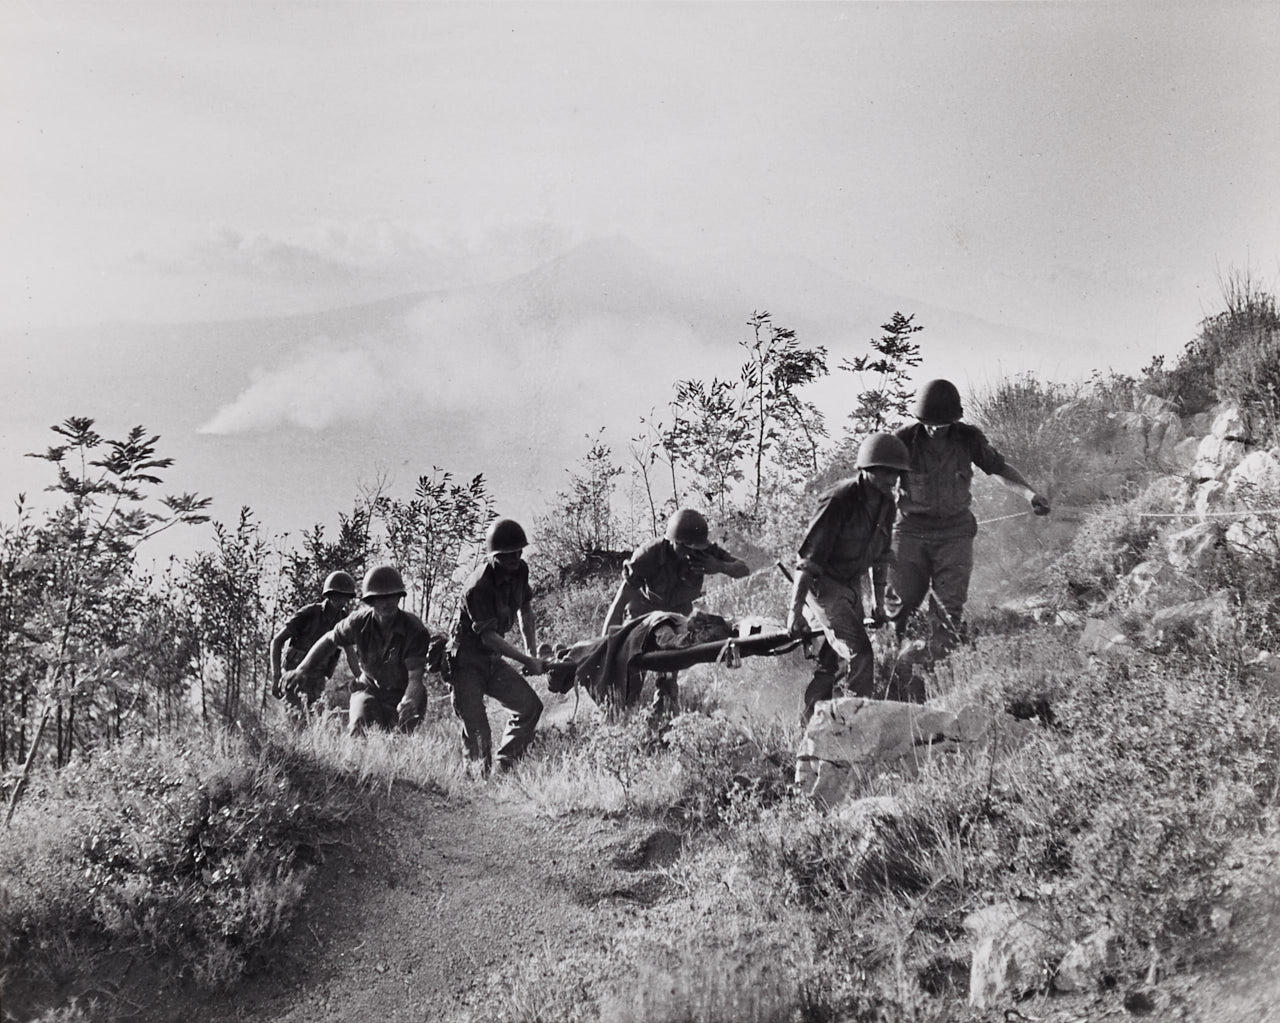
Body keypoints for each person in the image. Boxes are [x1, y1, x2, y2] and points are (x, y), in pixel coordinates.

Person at [890, 379, 1050, 654]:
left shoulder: (968, 439)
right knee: (900, 608)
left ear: (954, 420)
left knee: (947, 611)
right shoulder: (902, 441)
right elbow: (876, 482)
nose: (933, 430)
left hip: (954, 534)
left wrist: (1029, 494)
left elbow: (998, 468)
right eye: (927, 423)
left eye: (940, 425)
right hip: (909, 534)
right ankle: (895, 665)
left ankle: (939, 667)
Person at [786, 433, 911, 724]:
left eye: (895, 472)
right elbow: (806, 563)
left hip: (851, 583)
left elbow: (880, 558)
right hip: (822, 586)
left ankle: (809, 722)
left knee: (833, 657)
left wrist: (878, 604)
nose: (891, 478)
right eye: (884, 471)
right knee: (860, 651)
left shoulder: (887, 505)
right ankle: (854, 725)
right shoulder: (838, 500)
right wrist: (794, 613)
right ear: (866, 470)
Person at [601, 508, 749, 724]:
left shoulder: (704, 551)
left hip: (677, 619)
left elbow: (743, 568)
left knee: (670, 676)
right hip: (643, 621)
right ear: (675, 542)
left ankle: (663, 723)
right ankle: (618, 723)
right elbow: (619, 602)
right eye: (687, 548)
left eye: (696, 548)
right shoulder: (647, 556)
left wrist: (719, 566)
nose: (692, 554)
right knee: (630, 680)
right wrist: (606, 642)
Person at [446, 518, 547, 775]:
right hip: (466, 663)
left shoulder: (521, 570)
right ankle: (478, 786)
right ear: (495, 555)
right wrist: (526, 661)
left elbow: (526, 612)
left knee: (529, 707)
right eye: (507, 554)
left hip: (491, 660)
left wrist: (532, 653)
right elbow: (489, 637)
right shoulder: (478, 587)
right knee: (478, 733)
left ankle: (504, 769)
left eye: (518, 551)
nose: (515, 557)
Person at [284, 565, 433, 736]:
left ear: (399, 597)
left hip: (404, 693)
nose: (388, 602)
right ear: (371, 601)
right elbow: (329, 640)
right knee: (358, 729)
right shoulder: (358, 622)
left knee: (398, 742)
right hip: (369, 688)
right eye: (381, 598)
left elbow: (415, 676)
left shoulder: (415, 629)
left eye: (392, 596)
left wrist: (410, 700)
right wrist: (302, 670)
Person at [269, 571, 360, 709]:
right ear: (329, 595)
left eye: (345, 597)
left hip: (317, 681)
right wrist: (276, 677)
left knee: (314, 721)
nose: (341, 600)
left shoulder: (343, 620)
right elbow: (277, 641)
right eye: (336, 595)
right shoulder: (309, 613)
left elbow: (351, 654)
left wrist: (363, 680)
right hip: (295, 676)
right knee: (296, 718)